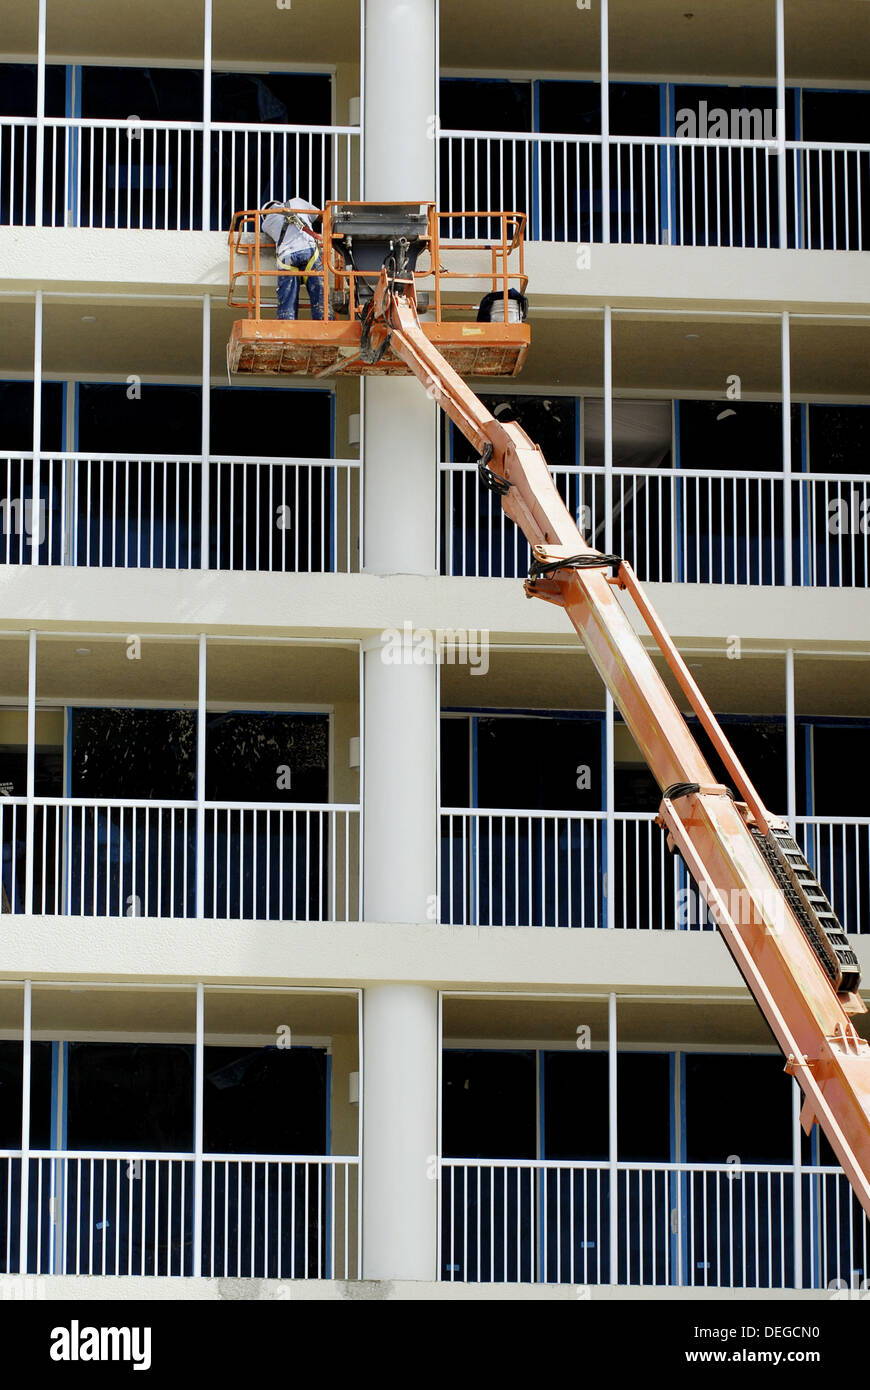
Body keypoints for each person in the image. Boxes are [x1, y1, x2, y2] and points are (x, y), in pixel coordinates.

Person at [260, 196, 324, 321]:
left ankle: (286, 322)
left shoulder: (266, 224)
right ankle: (324, 319)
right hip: (309, 251)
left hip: (286, 257)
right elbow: (323, 217)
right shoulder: (298, 202)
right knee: (319, 293)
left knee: (287, 296)